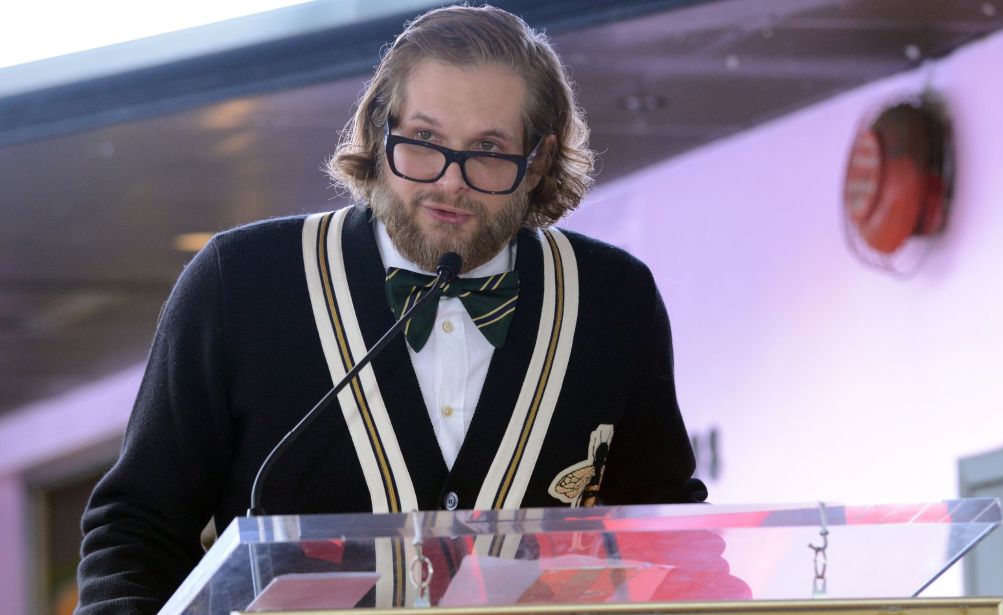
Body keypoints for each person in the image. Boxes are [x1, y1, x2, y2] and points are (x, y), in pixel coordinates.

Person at [75, 5, 704, 614]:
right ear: (380, 130)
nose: (449, 181)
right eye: (424, 140)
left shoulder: (611, 299)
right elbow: (135, 528)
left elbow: (665, 524)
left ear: (537, 160)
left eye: (487, 149)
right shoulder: (240, 281)